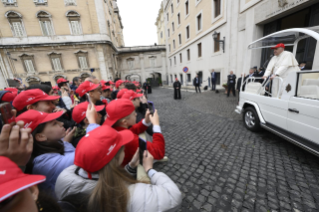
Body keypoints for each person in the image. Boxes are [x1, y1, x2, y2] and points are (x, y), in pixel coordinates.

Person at [15, 110, 76, 194]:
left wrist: (65, 142)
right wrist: (92, 123)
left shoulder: (56, 143)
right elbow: (85, 154)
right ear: (40, 136)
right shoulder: (44, 164)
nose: (61, 123)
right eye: (54, 123)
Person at [98, 99, 165, 166]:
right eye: (133, 113)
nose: (136, 114)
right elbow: (158, 152)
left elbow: (132, 130)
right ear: (124, 122)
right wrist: (156, 126)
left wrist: (146, 121)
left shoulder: (115, 129)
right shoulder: (129, 139)